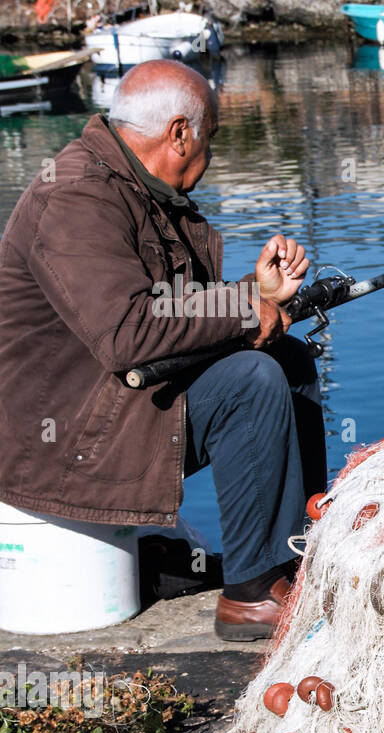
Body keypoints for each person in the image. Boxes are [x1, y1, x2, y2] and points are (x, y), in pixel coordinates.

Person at [0, 60, 325, 641]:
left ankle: (296, 560)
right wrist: (245, 310)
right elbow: (125, 331)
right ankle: (251, 594)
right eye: (211, 137)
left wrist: (257, 294)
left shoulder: (139, 188)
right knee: (250, 380)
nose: (212, 152)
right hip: (62, 436)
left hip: (114, 402)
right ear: (180, 133)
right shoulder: (76, 196)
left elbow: (174, 308)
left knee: (289, 360)